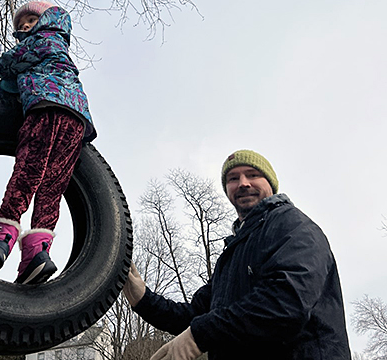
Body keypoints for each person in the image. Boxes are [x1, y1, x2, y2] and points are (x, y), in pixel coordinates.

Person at [123, 150, 351, 360]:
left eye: (252, 175)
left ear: (270, 184)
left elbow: (287, 302)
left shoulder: (293, 225)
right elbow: (194, 315)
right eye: (233, 178)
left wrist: (200, 335)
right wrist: (142, 299)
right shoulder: (232, 253)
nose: (243, 183)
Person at [0, 1, 96, 285]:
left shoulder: (46, 38)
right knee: (52, 186)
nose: (25, 26)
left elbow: (10, 62)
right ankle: (36, 255)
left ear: (45, 19)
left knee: (28, 173)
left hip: (46, 109)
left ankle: (1, 238)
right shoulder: (53, 45)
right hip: (76, 120)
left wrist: (4, 71)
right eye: (21, 25)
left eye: (30, 20)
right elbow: (16, 87)